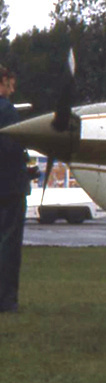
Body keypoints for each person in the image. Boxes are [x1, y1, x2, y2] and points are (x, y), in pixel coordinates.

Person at [0, 65, 30, 313]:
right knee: (9, 244)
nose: (13, 88)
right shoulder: (7, 110)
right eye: (10, 83)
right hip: (9, 187)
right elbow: (10, 147)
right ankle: (6, 300)